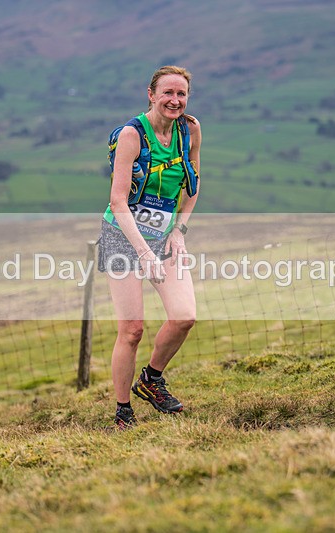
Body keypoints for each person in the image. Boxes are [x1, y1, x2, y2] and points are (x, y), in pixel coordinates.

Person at [97, 65, 202, 430]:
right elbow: (118, 202)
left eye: (181, 94)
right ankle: (123, 411)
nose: (175, 100)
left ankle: (151, 380)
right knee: (132, 330)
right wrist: (143, 252)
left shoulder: (190, 130)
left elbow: (193, 184)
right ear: (151, 94)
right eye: (167, 92)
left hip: (164, 236)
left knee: (184, 316)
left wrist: (179, 231)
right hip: (123, 237)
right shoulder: (132, 135)